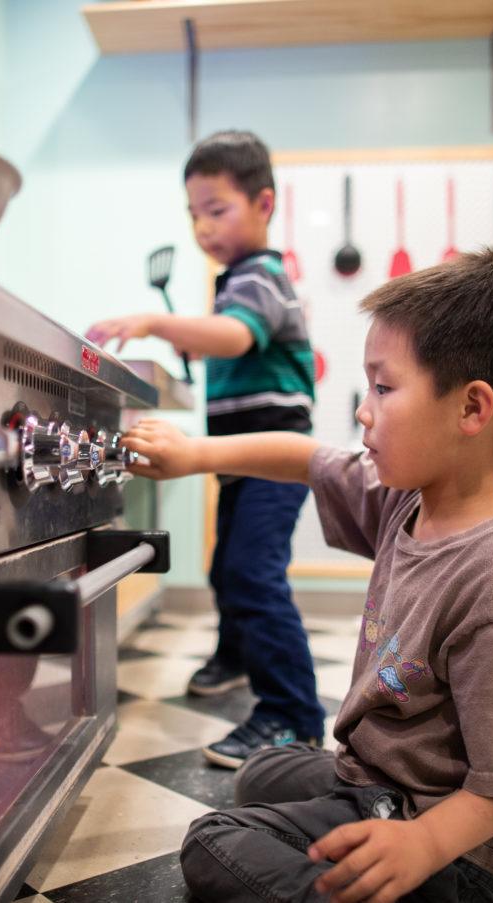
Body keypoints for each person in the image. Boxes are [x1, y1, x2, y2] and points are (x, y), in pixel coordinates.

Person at [122, 250, 493, 902]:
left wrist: (421, 844)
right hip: (388, 787)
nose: (364, 411)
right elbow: (305, 457)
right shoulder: (409, 500)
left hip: (468, 860)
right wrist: (195, 455)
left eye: (384, 388)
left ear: (472, 408)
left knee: (213, 842)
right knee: (265, 772)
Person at [86, 130, 325, 767]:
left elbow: (237, 338)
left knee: (252, 572)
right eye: (194, 213)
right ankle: (238, 655)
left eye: (216, 210)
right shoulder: (237, 280)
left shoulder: (262, 278)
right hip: (245, 458)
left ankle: (293, 714)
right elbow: (229, 339)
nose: (201, 227)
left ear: (263, 204)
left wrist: (156, 322)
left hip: (274, 457)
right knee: (229, 568)